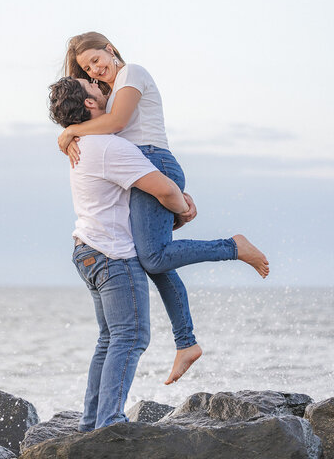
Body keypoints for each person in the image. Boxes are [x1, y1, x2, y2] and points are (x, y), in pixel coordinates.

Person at [57, 40, 269, 382]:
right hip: (143, 169)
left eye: (96, 60)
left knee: (154, 257)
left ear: (110, 49)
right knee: (152, 258)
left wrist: (71, 132)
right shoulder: (111, 92)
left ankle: (233, 247)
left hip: (152, 160)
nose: (95, 70)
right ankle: (186, 343)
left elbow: (116, 122)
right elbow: (106, 123)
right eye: (87, 69)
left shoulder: (131, 73)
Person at [48, 76, 192, 431]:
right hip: (112, 255)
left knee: (109, 339)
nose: (101, 85)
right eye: (94, 87)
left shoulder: (83, 144)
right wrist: (183, 210)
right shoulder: (108, 147)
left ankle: (91, 423)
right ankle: (110, 421)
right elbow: (163, 189)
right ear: (90, 105)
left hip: (87, 250)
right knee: (131, 336)